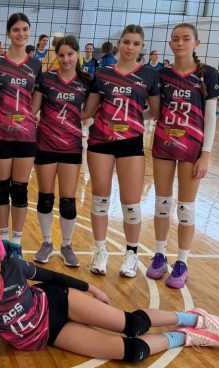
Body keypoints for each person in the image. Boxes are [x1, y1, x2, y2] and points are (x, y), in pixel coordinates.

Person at [0, 234, 219, 367]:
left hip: (57, 302)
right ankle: (184, 337)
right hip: (49, 334)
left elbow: (52, 277)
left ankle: (193, 317)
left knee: (133, 324)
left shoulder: (14, 268)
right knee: (132, 352)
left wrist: (91, 288)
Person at [147, 23, 219, 288]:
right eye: (176, 39)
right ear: (170, 44)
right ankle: (159, 255)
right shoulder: (161, 75)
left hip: (192, 148)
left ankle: (182, 262)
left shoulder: (207, 74)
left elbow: (211, 118)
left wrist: (207, 153)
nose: (180, 43)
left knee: (185, 208)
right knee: (162, 204)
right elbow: (154, 112)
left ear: (196, 43)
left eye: (186, 38)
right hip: (164, 145)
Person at [81, 24, 160, 278]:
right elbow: (88, 112)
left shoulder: (149, 76)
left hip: (131, 142)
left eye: (136, 44)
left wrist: (134, 118)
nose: (130, 47)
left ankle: (131, 254)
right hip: (101, 141)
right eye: (126, 42)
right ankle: (100, 251)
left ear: (142, 47)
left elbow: (155, 112)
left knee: (131, 203)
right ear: (119, 44)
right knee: (100, 198)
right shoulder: (103, 74)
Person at [0, 12, 41, 259]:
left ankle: (16, 242)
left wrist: (25, 117)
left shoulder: (35, 65)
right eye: (16, 29)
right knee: (1, 188)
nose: (21, 33)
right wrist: (3, 114)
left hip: (26, 135)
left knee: (20, 190)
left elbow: (36, 100)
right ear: (8, 33)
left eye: (25, 29)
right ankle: (3, 238)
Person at [30, 36, 90, 267]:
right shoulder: (46, 79)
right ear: (56, 56)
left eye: (70, 54)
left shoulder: (85, 82)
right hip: (45, 145)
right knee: (45, 198)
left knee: (68, 201)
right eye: (61, 55)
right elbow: (33, 109)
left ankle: (66, 245)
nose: (66, 59)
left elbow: (88, 113)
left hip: (71, 147)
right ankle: (46, 242)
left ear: (77, 54)